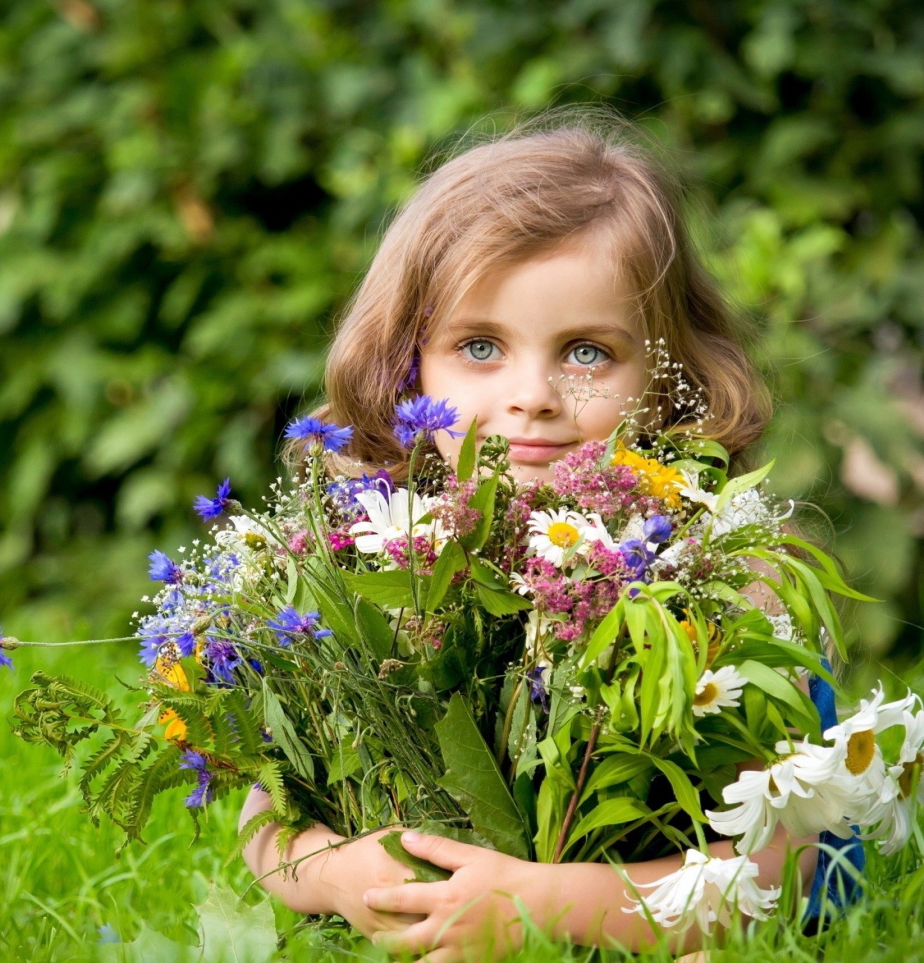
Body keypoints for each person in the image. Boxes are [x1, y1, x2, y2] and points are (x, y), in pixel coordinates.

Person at [239, 109, 861, 959]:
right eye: (480, 346)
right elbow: (267, 816)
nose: (532, 396)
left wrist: (539, 906)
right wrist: (340, 876)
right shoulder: (371, 557)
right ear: (407, 364)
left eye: (587, 353)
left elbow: (790, 867)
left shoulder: (720, 579)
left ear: (667, 373)